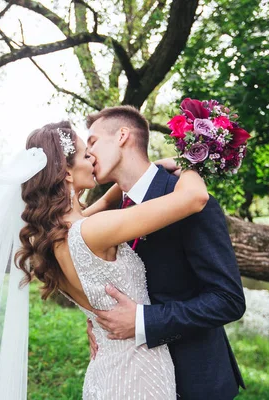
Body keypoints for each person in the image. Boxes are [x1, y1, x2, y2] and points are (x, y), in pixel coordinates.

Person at [15, 121, 209, 399]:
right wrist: (194, 159)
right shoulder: (94, 231)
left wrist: (148, 167)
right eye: (85, 155)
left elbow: (103, 204)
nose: (92, 158)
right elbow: (195, 197)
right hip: (140, 372)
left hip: (106, 369)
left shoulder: (48, 239)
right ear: (67, 173)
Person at [86, 106, 246, 399]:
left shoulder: (189, 200)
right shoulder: (115, 209)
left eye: (93, 142)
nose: (87, 154)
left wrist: (142, 322)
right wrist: (99, 323)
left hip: (193, 380)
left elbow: (228, 300)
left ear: (122, 136)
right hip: (130, 377)